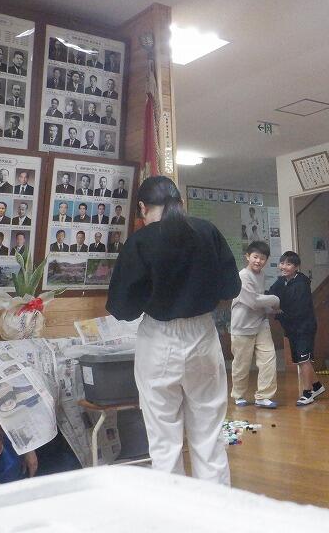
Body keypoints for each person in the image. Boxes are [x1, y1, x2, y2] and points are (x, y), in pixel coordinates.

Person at [106, 176, 240, 485]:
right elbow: (231, 287)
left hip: (159, 339)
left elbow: (122, 308)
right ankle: (218, 505)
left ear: (143, 207)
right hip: (203, 335)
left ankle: (173, 508)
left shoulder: (140, 242)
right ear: (180, 202)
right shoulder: (207, 231)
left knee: (164, 441)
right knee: (209, 433)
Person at [269, 251, 325, 407]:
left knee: (304, 360)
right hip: (292, 327)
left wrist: (279, 311)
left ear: (296, 267)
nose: (284, 267)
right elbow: (271, 294)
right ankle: (317, 386)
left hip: (304, 327)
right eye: (282, 263)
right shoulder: (281, 281)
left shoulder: (301, 284)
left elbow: (297, 308)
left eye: (288, 264)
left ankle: (307, 393)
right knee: (301, 360)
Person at [230, 241, 280, 409]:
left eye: (262, 258)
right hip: (242, 326)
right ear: (248, 257)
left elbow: (259, 300)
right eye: (255, 257)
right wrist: (275, 300)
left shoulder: (261, 275)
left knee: (268, 359)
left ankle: (263, 396)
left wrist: (271, 309)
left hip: (260, 322)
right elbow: (253, 301)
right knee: (241, 364)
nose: (258, 261)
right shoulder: (243, 276)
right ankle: (239, 395)